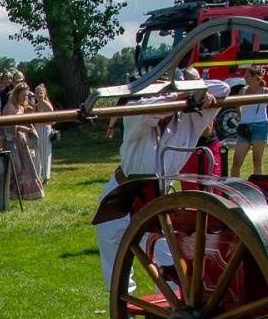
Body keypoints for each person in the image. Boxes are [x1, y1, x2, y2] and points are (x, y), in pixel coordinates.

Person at [93, 67, 228, 290]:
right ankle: (127, 318)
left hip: (160, 199)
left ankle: (168, 317)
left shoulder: (190, 120)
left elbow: (223, 88)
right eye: (158, 91)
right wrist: (178, 95)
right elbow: (147, 109)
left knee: (171, 265)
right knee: (114, 263)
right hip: (122, 194)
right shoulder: (137, 113)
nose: (160, 96)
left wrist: (197, 91)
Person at [229, 67, 268, 178]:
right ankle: (234, 186)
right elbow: (237, 105)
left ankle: (258, 188)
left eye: (247, 76)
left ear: (256, 78)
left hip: (260, 126)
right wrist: (242, 118)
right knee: (236, 162)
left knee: (257, 160)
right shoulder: (243, 90)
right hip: (244, 127)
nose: (245, 78)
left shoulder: (265, 91)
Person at [32, 84, 56, 183]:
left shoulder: (46, 104)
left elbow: (53, 120)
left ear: (44, 94)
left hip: (45, 130)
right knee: (37, 153)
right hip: (37, 130)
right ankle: (37, 175)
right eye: (37, 93)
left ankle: (46, 177)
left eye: (41, 93)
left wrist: (41, 121)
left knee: (45, 152)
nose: (39, 95)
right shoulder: (35, 106)